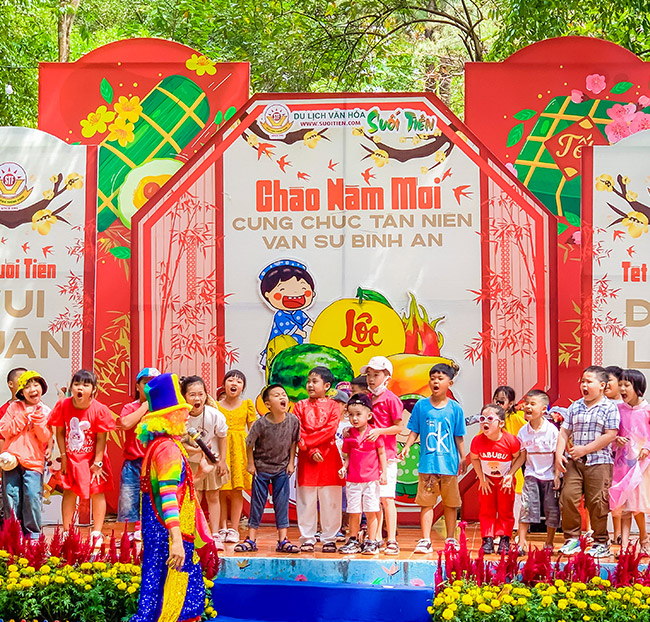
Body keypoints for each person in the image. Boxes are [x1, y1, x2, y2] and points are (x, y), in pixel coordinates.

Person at [131, 372, 212, 622]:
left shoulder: (158, 446)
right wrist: (176, 540)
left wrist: (200, 474)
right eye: (181, 410)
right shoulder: (168, 449)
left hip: (161, 534)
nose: (186, 415)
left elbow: (176, 490)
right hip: (169, 535)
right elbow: (167, 497)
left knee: (156, 589)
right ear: (170, 416)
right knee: (174, 598)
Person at [399, 363, 466, 554]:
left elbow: (458, 435)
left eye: (440, 378)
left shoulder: (455, 408)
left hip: (448, 465)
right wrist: (407, 446)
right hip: (427, 465)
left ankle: (451, 538)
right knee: (426, 503)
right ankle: (425, 540)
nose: (435, 382)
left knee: (450, 503)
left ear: (449, 383)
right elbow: (414, 430)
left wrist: (463, 457)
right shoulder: (421, 406)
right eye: (433, 378)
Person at [556, 365, 619, 558]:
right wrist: (558, 455)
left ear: (602, 385)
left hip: (599, 461)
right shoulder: (575, 406)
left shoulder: (609, 407)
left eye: (588, 382)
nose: (584, 385)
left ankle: (601, 541)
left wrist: (585, 449)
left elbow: (610, 435)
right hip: (575, 462)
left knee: (597, 502)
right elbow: (564, 432)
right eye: (582, 381)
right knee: (568, 497)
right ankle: (572, 539)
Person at [48, 369, 115, 547]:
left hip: (93, 460)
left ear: (93, 389)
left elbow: (101, 438)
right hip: (71, 459)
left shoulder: (100, 410)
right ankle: (67, 531)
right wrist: (63, 456)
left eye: (85, 385)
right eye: (77, 384)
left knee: (97, 491)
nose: (80, 388)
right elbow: (60, 432)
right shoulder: (63, 405)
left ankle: (97, 533)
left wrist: (98, 462)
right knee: (69, 491)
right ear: (71, 387)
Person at [235, 384, 300, 553]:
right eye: (276, 395)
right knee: (257, 504)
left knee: (281, 503)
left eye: (283, 394)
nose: (282, 397)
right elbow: (249, 444)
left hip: (282, 469)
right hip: (261, 469)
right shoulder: (260, 424)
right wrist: (251, 464)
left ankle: (283, 540)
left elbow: (294, 442)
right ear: (267, 404)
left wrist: (291, 462)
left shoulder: (293, 421)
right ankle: (251, 539)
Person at [293, 366, 343, 553]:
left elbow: (330, 430)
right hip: (308, 458)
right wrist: (311, 450)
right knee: (306, 500)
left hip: (328, 457)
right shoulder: (299, 406)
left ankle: (329, 538)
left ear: (327, 385)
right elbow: (298, 431)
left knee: (331, 500)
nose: (310, 385)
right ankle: (307, 537)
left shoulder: (333, 406)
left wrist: (310, 445)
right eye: (308, 381)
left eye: (315, 381)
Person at [0, 371, 52, 538]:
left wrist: (38, 422)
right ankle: (13, 534)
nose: (32, 389)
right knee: (11, 496)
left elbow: (45, 437)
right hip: (12, 460)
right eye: (27, 386)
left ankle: (33, 535)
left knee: (32, 496)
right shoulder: (14, 408)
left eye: (36, 385)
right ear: (21, 392)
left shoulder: (45, 411)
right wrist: (23, 417)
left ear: (42, 388)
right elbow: (4, 430)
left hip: (34, 462)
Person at [361, 356, 403, 556]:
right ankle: (376, 537)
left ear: (387, 376)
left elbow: (398, 427)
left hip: (388, 455)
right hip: (369, 456)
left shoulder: (391, 399)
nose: (371, 379)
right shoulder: (367, 399)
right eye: (369, 375)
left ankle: (392, 539)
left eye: (376, 375)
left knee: (387, 498)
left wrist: (380, 431)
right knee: (373, 498)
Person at [180, 375, 228, 546]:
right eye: (192, 395)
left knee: (213, 495)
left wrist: (222, 461)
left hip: (211, 460)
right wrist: (196, 450)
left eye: (201, 394)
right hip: (191, 462)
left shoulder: (214, 415)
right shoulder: (181, 417)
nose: (197, 399)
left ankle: (215, 534)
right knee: (195, 496)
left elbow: (223, 436)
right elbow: (179, 442)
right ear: (184, 396)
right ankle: (194, 532)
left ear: (206, 395)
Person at [338, 393, 387, 555]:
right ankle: (353, 539)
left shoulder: (374, 433)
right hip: (353, 480)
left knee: (371, 511)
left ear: (369, 415)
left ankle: (371, 541)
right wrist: (344, 467)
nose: (354, 418)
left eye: (358, 414)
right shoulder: (348, 435)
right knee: (354, 511)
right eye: (351, 415)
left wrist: (384, 473)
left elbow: (381, 453)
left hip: (371, 480)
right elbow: (347, 456)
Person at [512, 389, 559, 554]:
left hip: (550, 476)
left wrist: (557, 476)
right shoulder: (523, 431)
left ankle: (549, 543)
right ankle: (521, 543)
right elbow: (522, 456)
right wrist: (510, 473)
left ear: (544, 409)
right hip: (531, 475)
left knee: (552, 509)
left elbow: (557, 455)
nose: (528, 407)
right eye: (526, 403)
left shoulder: (552, 431)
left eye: (533, 404)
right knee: (526, 507)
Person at [470, 403, 521, 554]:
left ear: (501, 423)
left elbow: (519, 457)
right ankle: (487, 539)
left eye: (490, 419)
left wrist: (510, 474)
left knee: (506, 510)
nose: (485, 422)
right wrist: (482, 478)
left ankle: (505, 538)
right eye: (482, 418)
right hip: (487, 482)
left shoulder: (510, 440)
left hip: (505, 482)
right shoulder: (477, 441)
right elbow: (474, 459)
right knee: (486, 510)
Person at [116, 367, 160, 541]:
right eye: (146, 383)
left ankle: (150, 534)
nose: (150, 387)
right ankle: (128, 535)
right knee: (129, 501)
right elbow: (125, 423)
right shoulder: (130, 407)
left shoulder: (163, 407)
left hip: (156, 464)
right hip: (133, 463)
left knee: (155, 500)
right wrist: (145, 406)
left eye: (154, 383)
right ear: (137, 386)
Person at [609, 368, 650, 554]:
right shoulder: (618, 410)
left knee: (636, 504)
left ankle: (644, 537)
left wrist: (647, 448)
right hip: (622, 464)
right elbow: (612, 434)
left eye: (627, 385)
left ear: (638, 388)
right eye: (621, 385)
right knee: (623, 504)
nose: (622, 389)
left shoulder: (647, 410)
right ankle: (624, 545)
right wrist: (616, 440)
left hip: (642, 465)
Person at [217, 370, 256, 544]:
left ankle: (234, 529)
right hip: (221, 449)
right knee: (220, 489)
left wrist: (254, 456)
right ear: (224, 385)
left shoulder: (247, 404)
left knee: (236, 490)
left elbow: (254, 432)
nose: (234, 383)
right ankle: (221, 528)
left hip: (240, 449)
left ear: (243, 387)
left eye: (239, 381)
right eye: (230, 380)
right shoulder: (215, 406)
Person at [492, 386, 526, 525]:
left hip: (512, 464)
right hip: (494, 464)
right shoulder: (489, 419)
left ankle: (515, 528)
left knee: (515, 494)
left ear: (510, 403)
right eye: (496, 400)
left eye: (502, 401)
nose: (498, 404)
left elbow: (528, 430)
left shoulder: (515, 419)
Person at [604, 365, 625, 544]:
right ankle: (594, 531)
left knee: (618, 494)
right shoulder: (600, 403)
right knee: (600, 494)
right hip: (603, 454)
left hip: (621, 458)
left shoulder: (626, 406)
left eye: (609, 380)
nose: (605, 384)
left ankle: (618, 533)